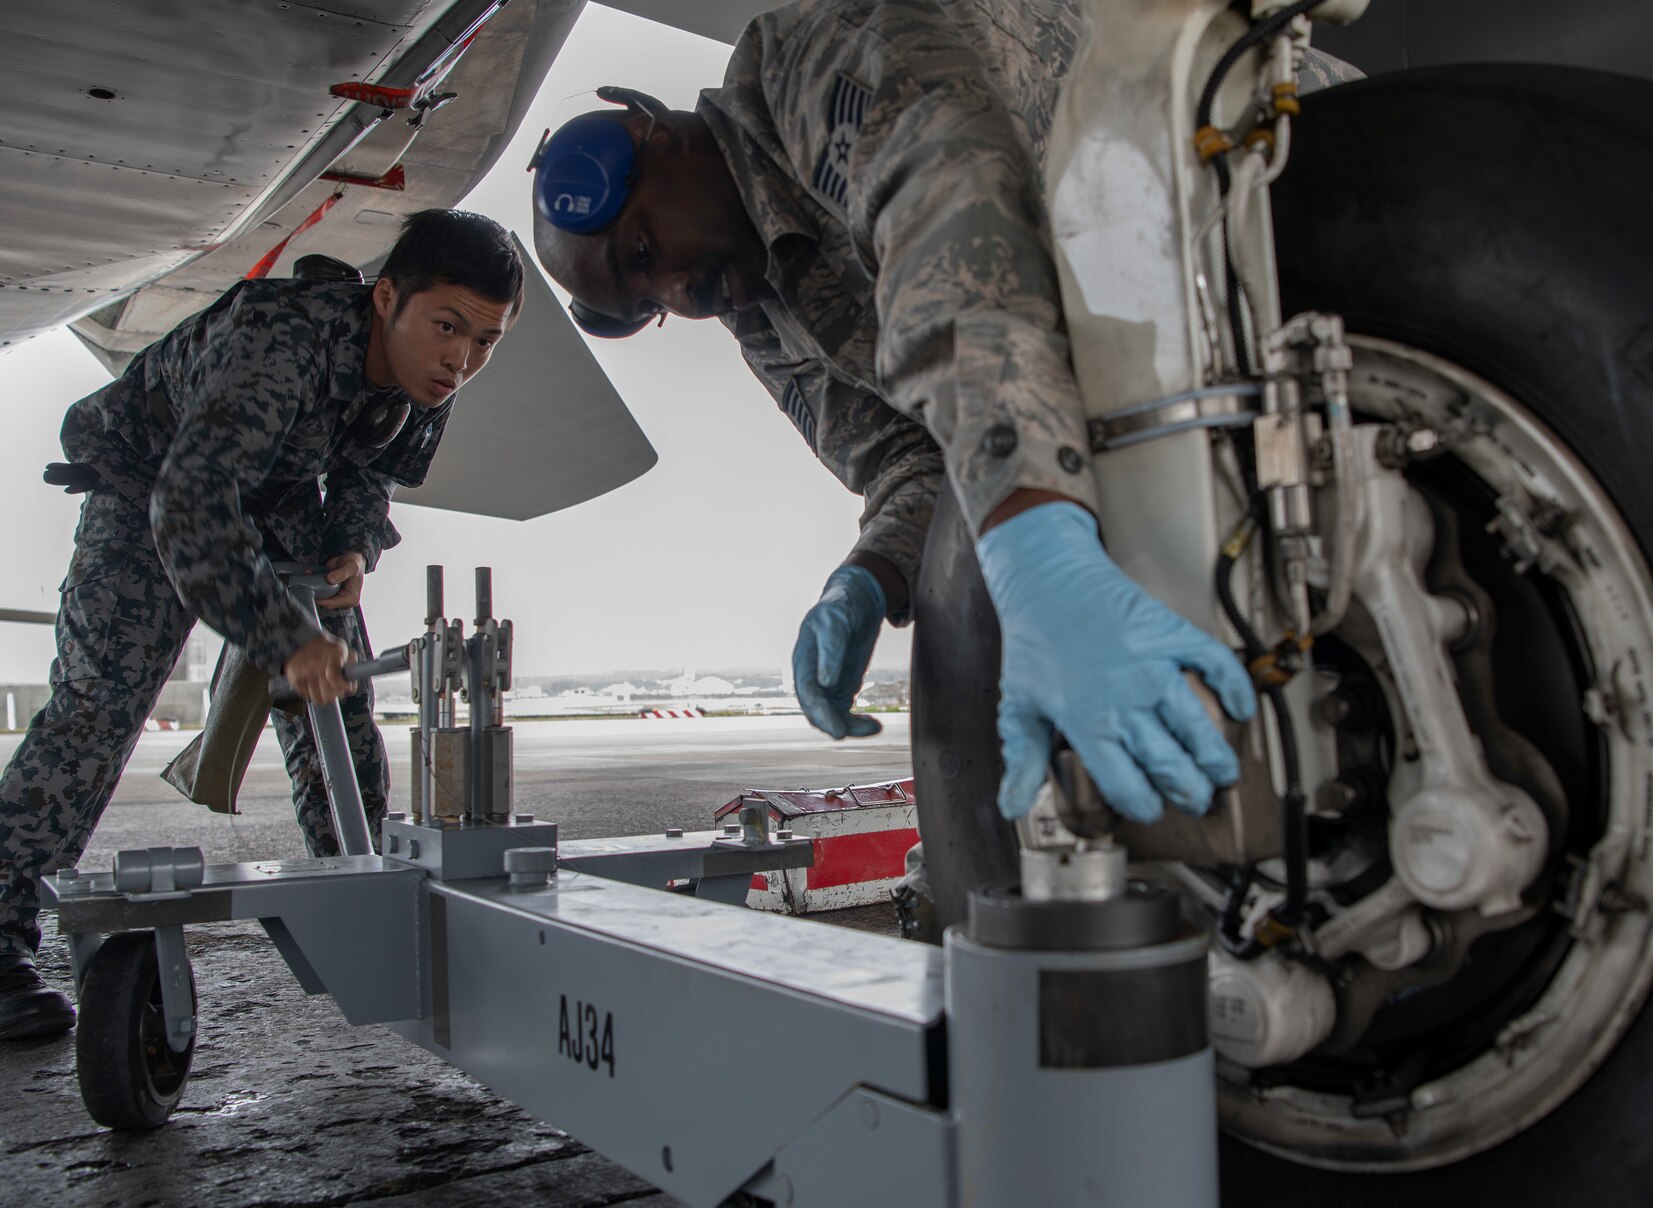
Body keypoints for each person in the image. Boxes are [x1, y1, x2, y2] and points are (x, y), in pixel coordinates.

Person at [530, 3, 1258, 851]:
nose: (680, 299)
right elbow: (910, 458)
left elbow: (952, 233)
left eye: (645, 254)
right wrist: (872, 573)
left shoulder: (806, 65)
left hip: (1286, 209)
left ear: (654, 138)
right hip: (1202, 390)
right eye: (650, 307)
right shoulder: (764, 314)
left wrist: (1035, 547)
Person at [0, 209, 523, 1040]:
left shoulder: (432, 374)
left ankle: (374, 906)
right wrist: (283, 642)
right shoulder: (279, 344)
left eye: (487, 341)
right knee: (96, 712)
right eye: (448, 326)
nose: (462, 359)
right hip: (153, 493)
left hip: (278, 500)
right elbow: (193, 504)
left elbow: (371, 465)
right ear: (387, 297)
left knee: (341, 711)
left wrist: (352, 544)